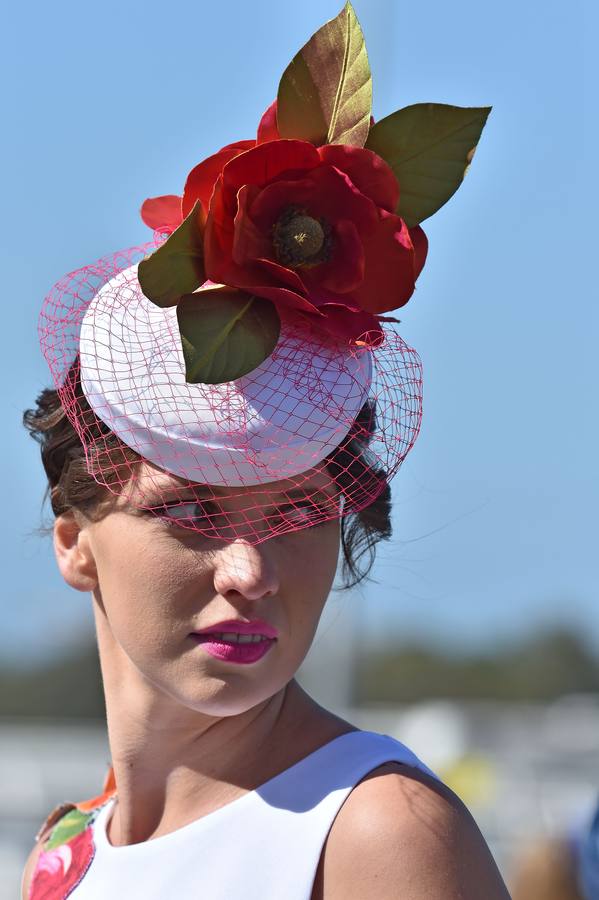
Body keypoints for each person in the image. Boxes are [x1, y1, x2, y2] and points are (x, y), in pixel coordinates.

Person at [21, 4, 509, 897]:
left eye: (299, 512)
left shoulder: (377, 835)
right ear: (74, 542)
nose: (249, 570)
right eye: (191, 512)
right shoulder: (70, 852)